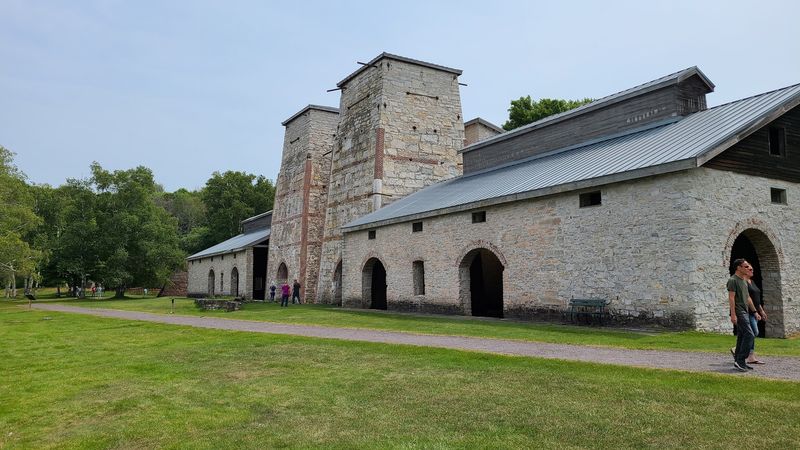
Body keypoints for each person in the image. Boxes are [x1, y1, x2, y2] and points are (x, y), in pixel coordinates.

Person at [728, 259, 759, 372]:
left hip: (745, 311)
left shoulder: (744, 281)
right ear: (738, 268)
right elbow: (731, 298)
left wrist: (755, 311)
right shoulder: (733, 280)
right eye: (745, 267)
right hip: (738, 311)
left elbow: (747, 298)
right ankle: (741, 360)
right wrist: (733, 314)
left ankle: (738, 361)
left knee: (742, 336)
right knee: (750, 334)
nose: (748, 268)